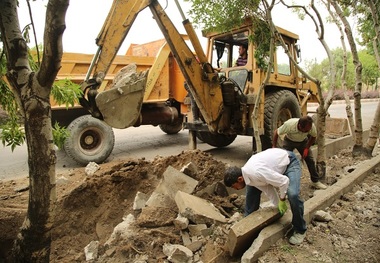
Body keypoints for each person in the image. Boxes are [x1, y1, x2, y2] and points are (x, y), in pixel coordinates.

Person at [223, 148, 307, 245]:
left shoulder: (256, 173)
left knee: (293, 195)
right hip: (274, 166)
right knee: (251, 193)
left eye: (234, 186)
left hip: (289, 162)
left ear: (239, 179)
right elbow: (267, 188)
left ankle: (300, 229)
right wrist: (277, 206)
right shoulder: (248, 175)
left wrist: (282, 199)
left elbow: (284, 181)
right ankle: (248, 225)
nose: (236, 189)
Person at [272, 116, 327, 190]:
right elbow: (276, 132)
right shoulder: (289, 124)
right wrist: (274, 146)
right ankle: (281, 182)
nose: (308, 131)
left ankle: (315, 181)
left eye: (308, 130)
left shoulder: (311, 126)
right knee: (284, 161)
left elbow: (313, 136)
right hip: (289, 141)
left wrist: (307, 148)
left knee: (310, 160)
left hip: (303, 142)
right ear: (300, 126)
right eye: (306, 130)